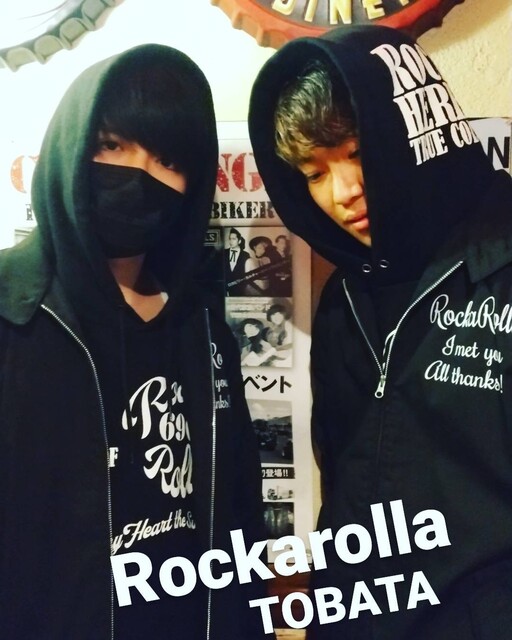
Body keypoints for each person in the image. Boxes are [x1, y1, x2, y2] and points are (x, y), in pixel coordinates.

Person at [249, 24, 512, 640]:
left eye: (355, 150)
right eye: (313, 173)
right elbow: (343, 478)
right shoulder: (344, 297)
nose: (344, 192)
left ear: (416, 130)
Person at [0, 44, 271, 640]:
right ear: (72, 143)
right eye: (111, 144)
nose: (139, 174)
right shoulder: (10, 308)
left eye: (168, 159)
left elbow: (239, 510)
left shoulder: (201, 324)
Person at [224, 227, 250, 296]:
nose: (231, 241)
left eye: (233, 239)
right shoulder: (223, 253)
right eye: (230, 239)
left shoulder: (246, 255)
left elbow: (247, 274)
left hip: (240, 290)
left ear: (239, 241)